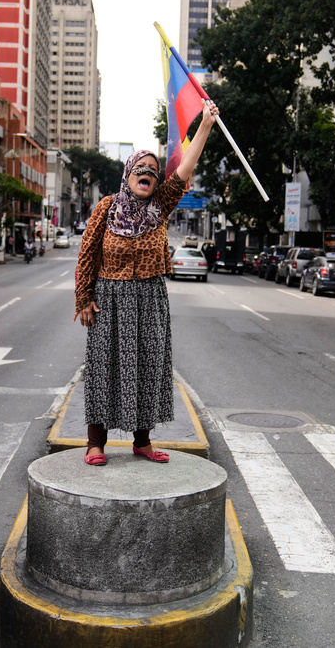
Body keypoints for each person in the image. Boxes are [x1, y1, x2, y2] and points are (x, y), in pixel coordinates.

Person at [74, 99, 219, 466]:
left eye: (153, 171)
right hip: (109, 296)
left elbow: (185, 169)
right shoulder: (107, 207)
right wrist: (83, 299)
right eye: (140, 168)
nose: (148, 173)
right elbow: (87, 254)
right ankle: (95, 443)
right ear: (127, 174)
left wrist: (204, 124)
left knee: (149, 366)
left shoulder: (161, 205)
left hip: (151, 298)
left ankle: (143, 441)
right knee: (104, 368)